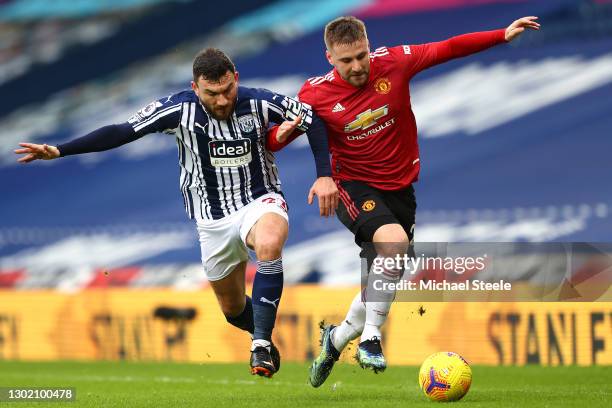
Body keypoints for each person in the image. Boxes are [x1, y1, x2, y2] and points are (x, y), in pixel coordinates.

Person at [14, 47, 338, 378]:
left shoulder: (259, 101)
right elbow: (122, 131)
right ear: (195, 88)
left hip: (260, 199)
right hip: (211, 220)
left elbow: (312, 119)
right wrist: (61, 149)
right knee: (232, 308)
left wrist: (324, 175)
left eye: (227, 90)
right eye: (212, 94)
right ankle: (260, 336)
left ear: (236, 79)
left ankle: (261, 345)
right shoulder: (177, 109)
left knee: (269, 244)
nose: (223, 100)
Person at [268, 15, 540, 386]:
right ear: (329, 57)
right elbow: (274, 142)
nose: (357, 66)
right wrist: (284, 136)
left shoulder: (394, 62)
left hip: (401, 187)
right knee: (393, 246)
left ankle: (336, 338)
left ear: (368, 46)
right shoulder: (314, 95)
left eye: (361, 56)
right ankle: (371, 341)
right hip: (354, 185)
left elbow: (446, 48)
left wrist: (501, 35)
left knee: (388, 268)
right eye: (346, 61)